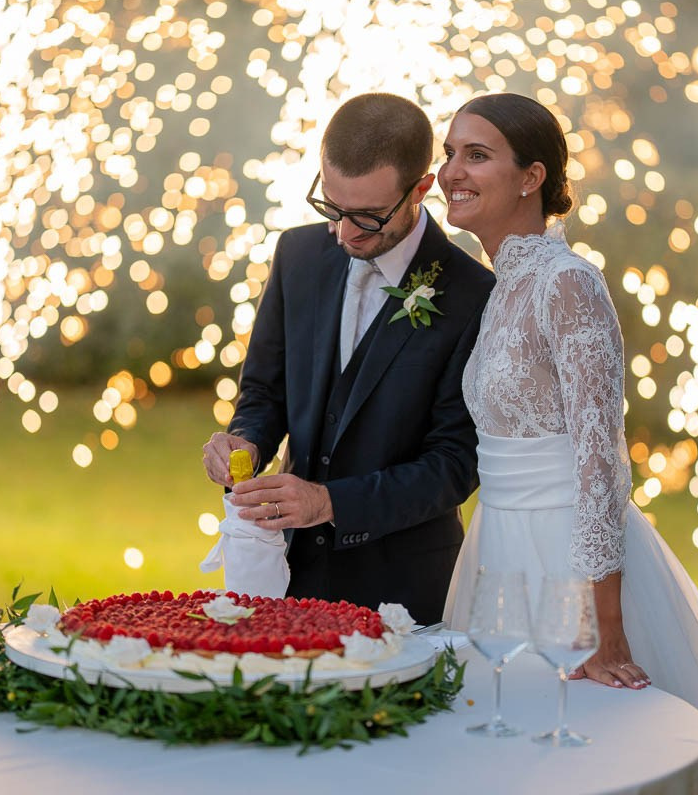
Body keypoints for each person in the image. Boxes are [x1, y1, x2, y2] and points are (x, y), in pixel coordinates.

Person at [438, 93, 698, 794]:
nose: (450, 171)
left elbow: (598, 462)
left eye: (476, 154)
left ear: (532, 177)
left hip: (568, 562)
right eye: (448, 153)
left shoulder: (568, 283)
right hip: (498, 554)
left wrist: (603, 625)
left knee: (585, 760)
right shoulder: (502, 285)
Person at [201, 93, 495, 625]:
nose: (344, 233)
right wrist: (245, 439)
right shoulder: (298, 254)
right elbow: (265, 393)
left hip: (403, 593)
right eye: (332, 208)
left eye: (367, 216)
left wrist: (329, 502)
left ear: (421, 189)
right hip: (286, 581)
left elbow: (455, 464)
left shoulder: (475, 294)